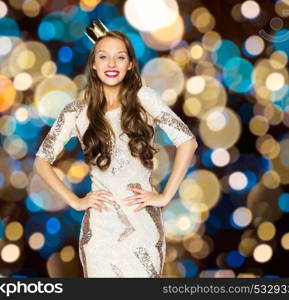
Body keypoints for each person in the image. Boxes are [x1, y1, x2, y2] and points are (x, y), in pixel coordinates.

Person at [34, 21, 198, 278]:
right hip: (99, 230)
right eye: (103, 57)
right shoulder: (76, 111)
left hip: (142, 223)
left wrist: (165, 196)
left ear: (130, 64)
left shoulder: (144, 98)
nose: (111, 64)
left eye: (120, 57)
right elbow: (41, 161)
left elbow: (187, 141)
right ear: (93, 64)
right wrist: (76, 202)